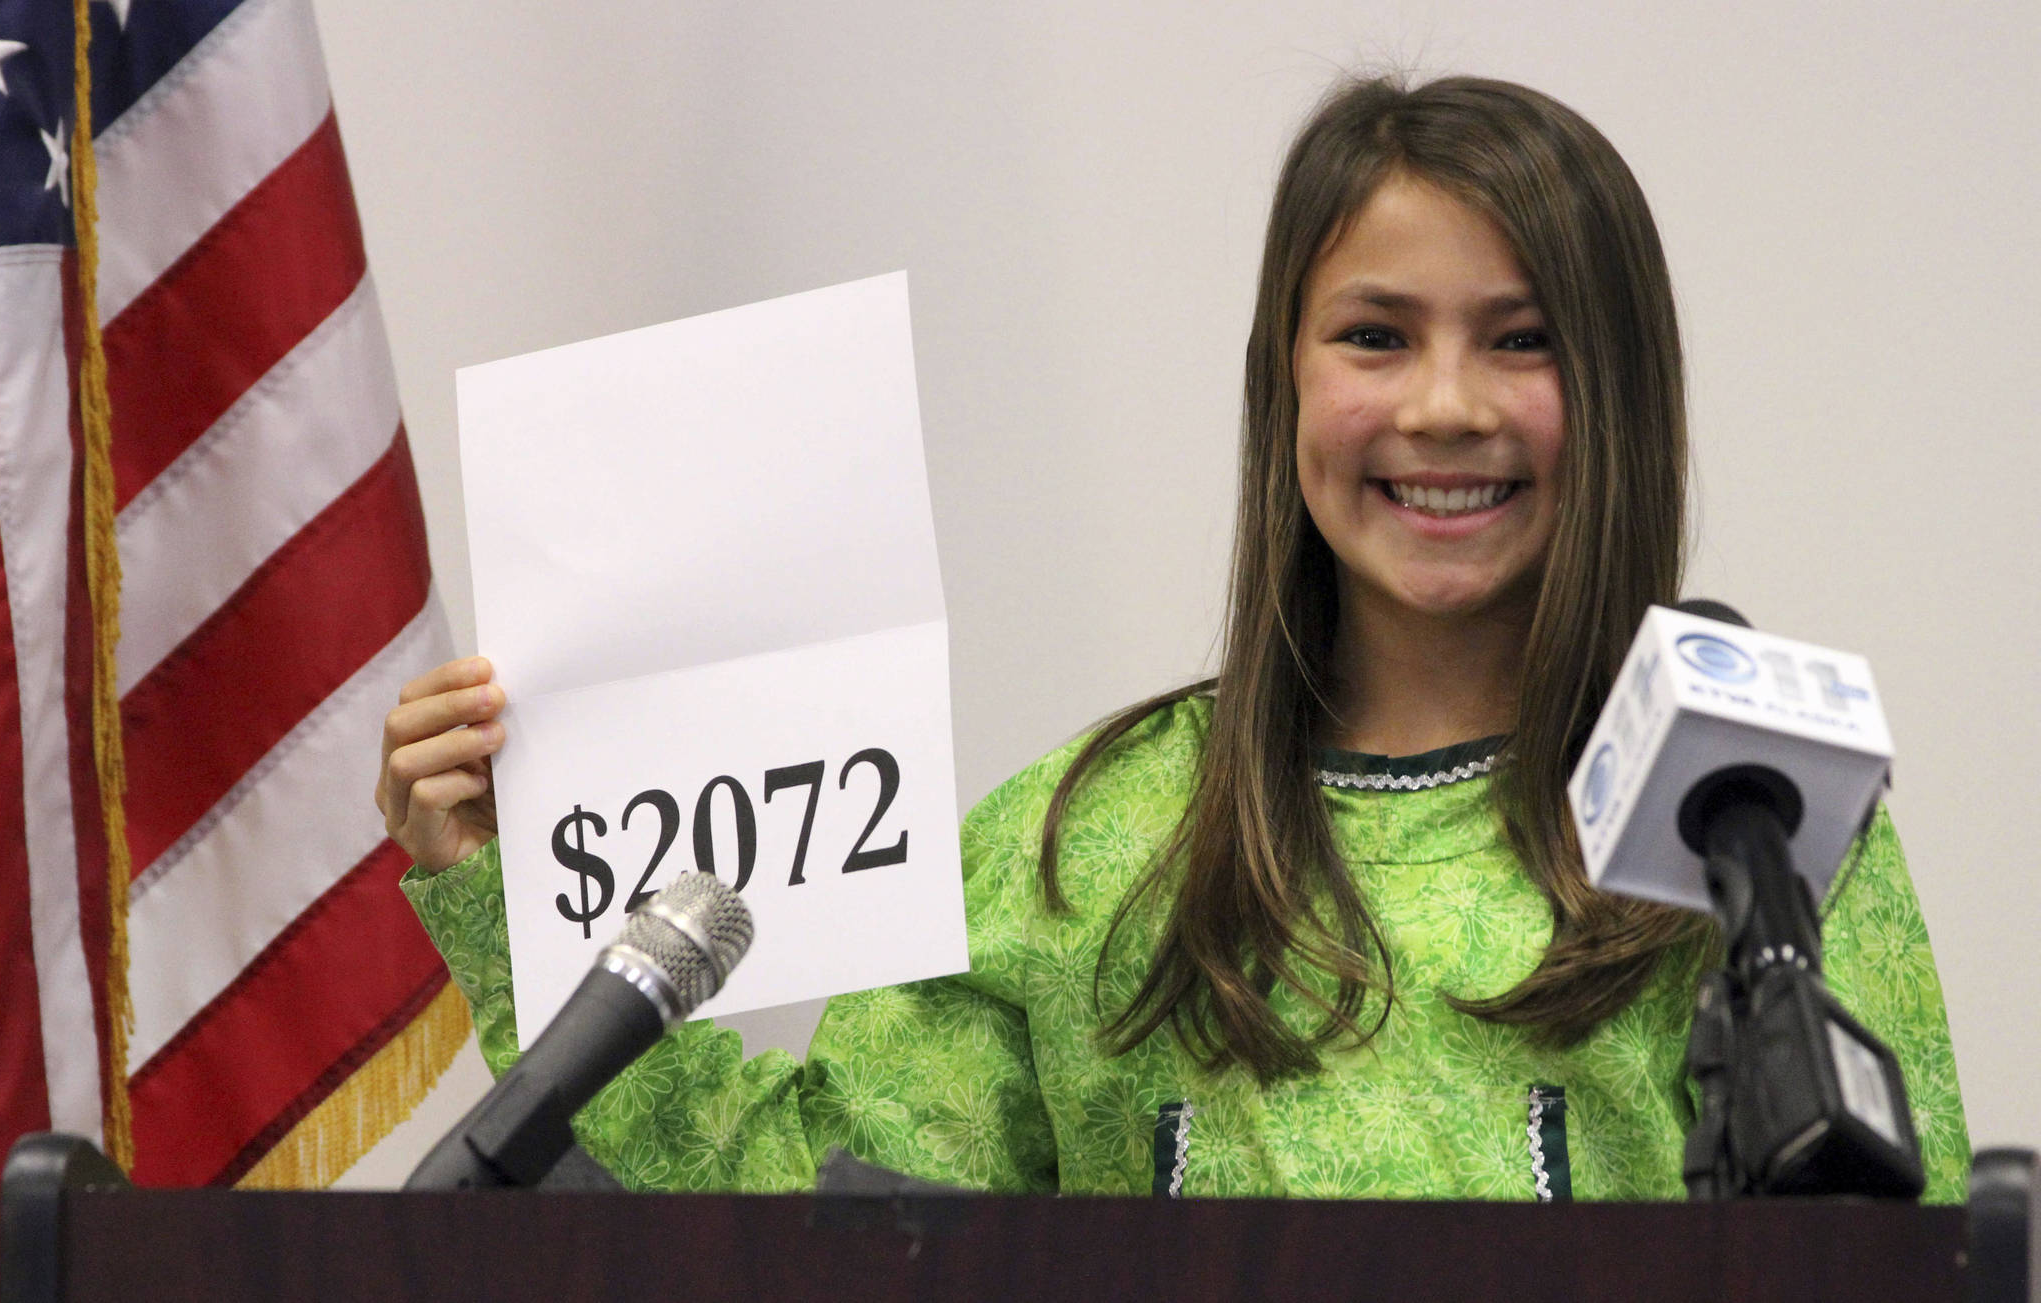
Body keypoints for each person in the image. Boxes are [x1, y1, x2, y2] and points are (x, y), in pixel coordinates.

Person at [377, 73, 1969, 1201]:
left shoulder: (1750, 820)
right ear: (1285, 383)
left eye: (1523, 341)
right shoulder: (1093, 837)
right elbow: (790, 1215)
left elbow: (1904, 1249)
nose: (1442, 407)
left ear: (1619, 394)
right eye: (1374, 335)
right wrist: (493, 888)